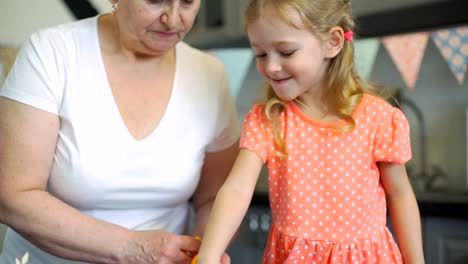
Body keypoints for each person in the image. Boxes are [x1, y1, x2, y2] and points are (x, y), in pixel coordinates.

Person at [0, 0, 239, 263]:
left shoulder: (209, 74)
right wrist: (132, 248)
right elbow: (13, 196)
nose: (172, 19)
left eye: (187, 3)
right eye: (155, 1)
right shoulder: (52, 53)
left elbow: (216, 198)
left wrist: (205, 252)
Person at [195, 0, 425, 263]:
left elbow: (400, 195)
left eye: (287, 51)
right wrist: (207, 257)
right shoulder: (267, 120)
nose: (270, 66)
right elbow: (236, 190)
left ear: (333, 42)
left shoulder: (378, 118)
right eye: (260, 54)